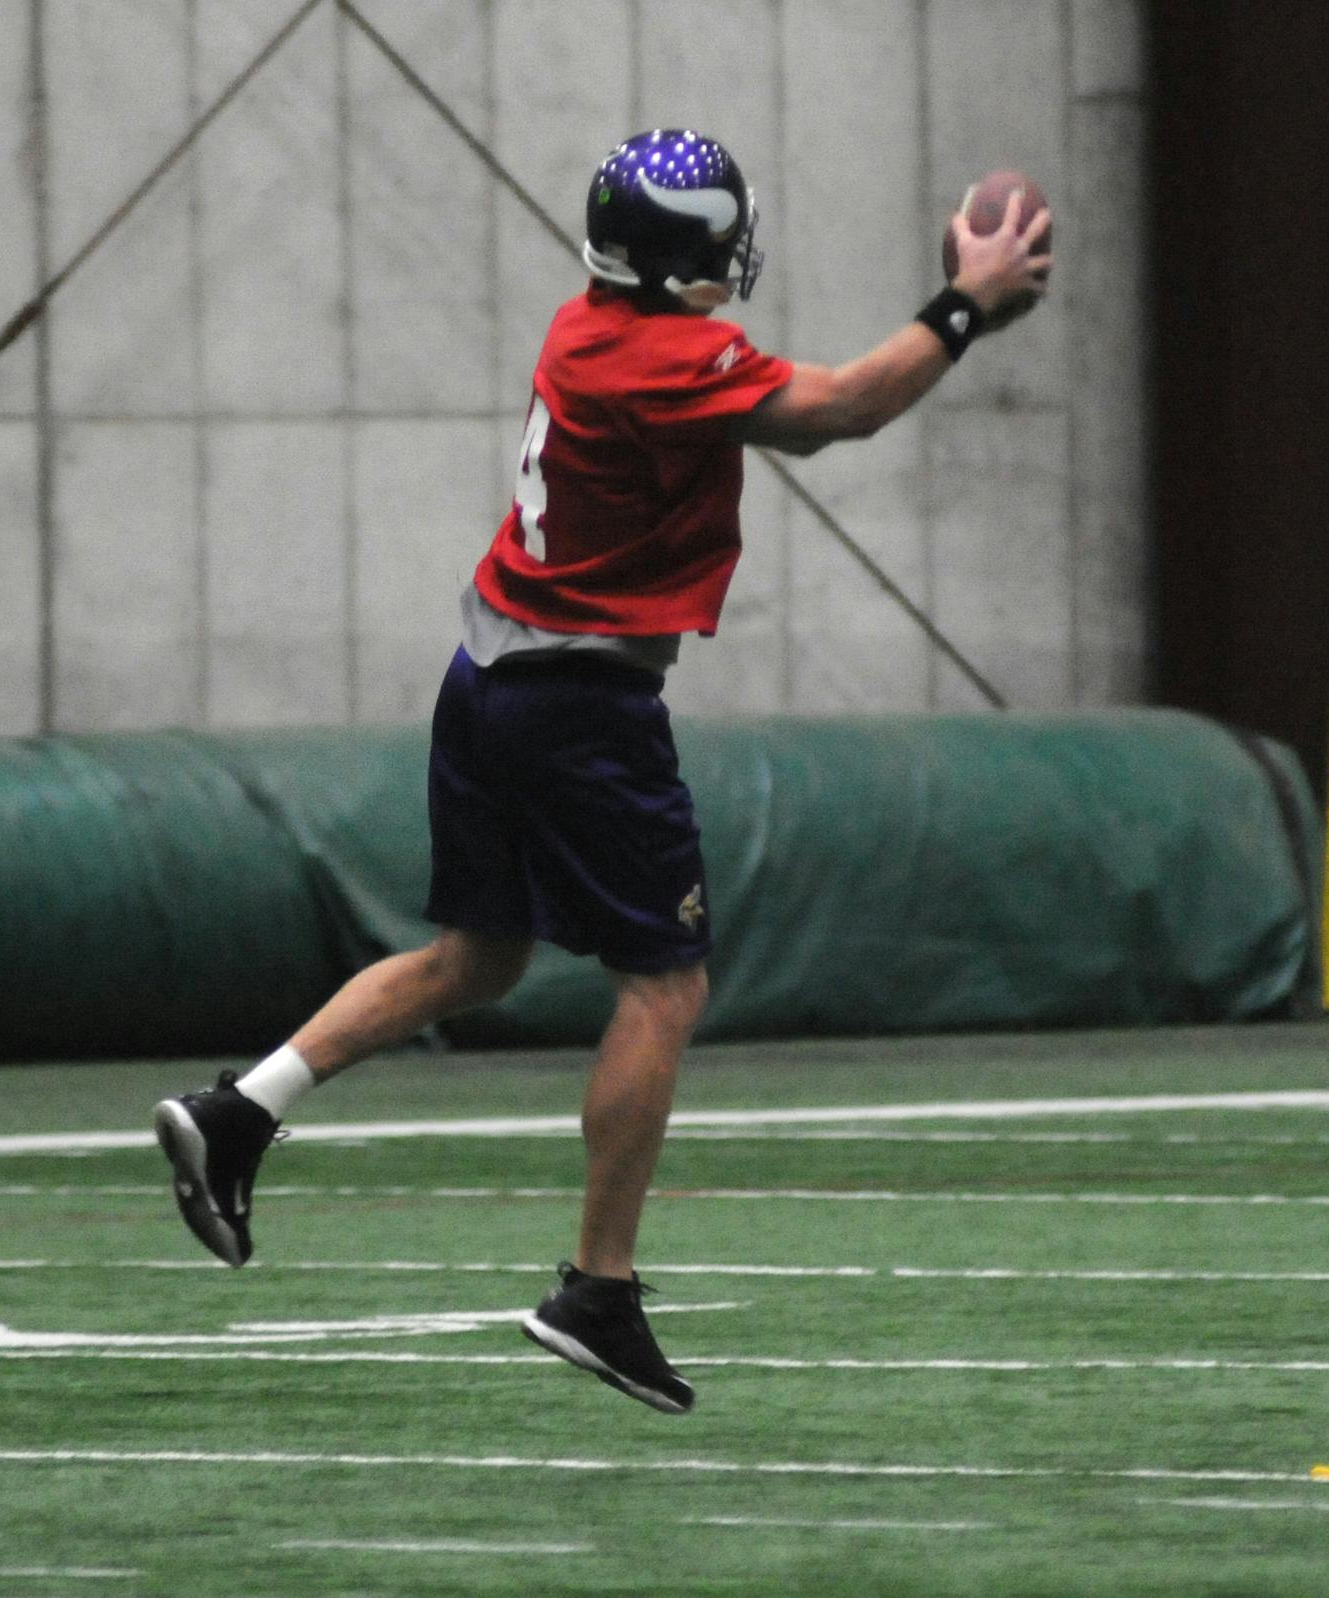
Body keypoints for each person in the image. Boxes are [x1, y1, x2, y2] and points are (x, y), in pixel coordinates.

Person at [153, 128, 1052, 1414]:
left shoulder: (588, 325)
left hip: (488, 672)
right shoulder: (665, 356)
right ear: (687, 257)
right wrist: (966, 303)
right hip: (578, 701)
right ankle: (599, 1286)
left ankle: (242, 1108)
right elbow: (841, 410)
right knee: (665, 982)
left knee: (477, 957)